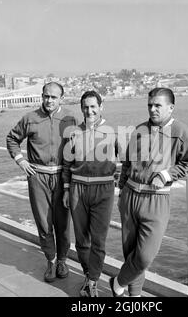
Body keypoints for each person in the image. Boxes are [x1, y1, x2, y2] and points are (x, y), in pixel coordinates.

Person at [110, 87, 188, 297]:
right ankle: (135, 297)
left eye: (158, 105)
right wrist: (121, 192)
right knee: (130, 253)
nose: (153, 109)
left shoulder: (181, 132)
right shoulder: (139, 130)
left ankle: (117, 283)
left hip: (156, 200)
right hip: (130, 196)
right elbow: (127, 164)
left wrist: (166, 175)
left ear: (171, 107)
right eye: (150, 105)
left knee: (145, 256)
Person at [6, 82, 77, 283]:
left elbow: (80, 145)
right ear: (42, 95)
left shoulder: (71, 118)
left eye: (54, 97)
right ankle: (51, 261)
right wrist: (21, 161)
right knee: (44, 223)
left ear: (61, 98)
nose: (49, 100)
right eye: (46, 96)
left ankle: (63, 260)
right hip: (38, 177)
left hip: (63, 177)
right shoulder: (30, 118)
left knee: (63, 224)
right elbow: (12, 139)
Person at [63, 90, 117, 297]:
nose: (89, 110)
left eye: (93, 106)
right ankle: (88, 275)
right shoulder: (73, 132)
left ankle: (93, 280)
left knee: (99, 241)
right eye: (85, 107)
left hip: (103, 191)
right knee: (82, 240)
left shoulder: (113, 132)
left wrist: (120, 185)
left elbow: (129, 161)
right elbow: (67, 164)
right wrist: (67, 190)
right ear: (81, 108)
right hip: (78, 190)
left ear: (101, 107)